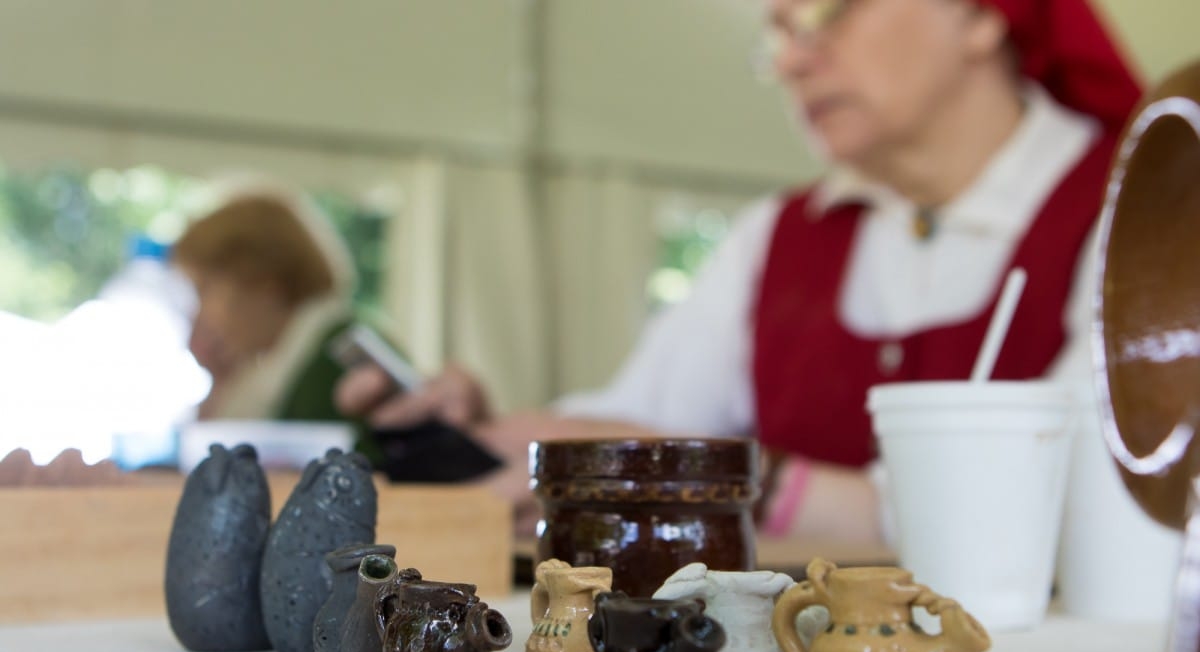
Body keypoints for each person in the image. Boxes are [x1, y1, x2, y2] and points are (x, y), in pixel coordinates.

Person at [336, 0, 1143, 541]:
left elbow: (1064, 505)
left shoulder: (1145, 207)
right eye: (779, 31)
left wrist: (740, 477)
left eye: (825, 12)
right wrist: (474, 433)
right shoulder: (779, 236)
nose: (793, 60)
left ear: (980, 16)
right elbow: (639, 418)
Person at [173, 184, 390, 463]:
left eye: (206, 289)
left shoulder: (334, 359)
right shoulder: (300, 354)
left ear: (263, 281)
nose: (202, 314)